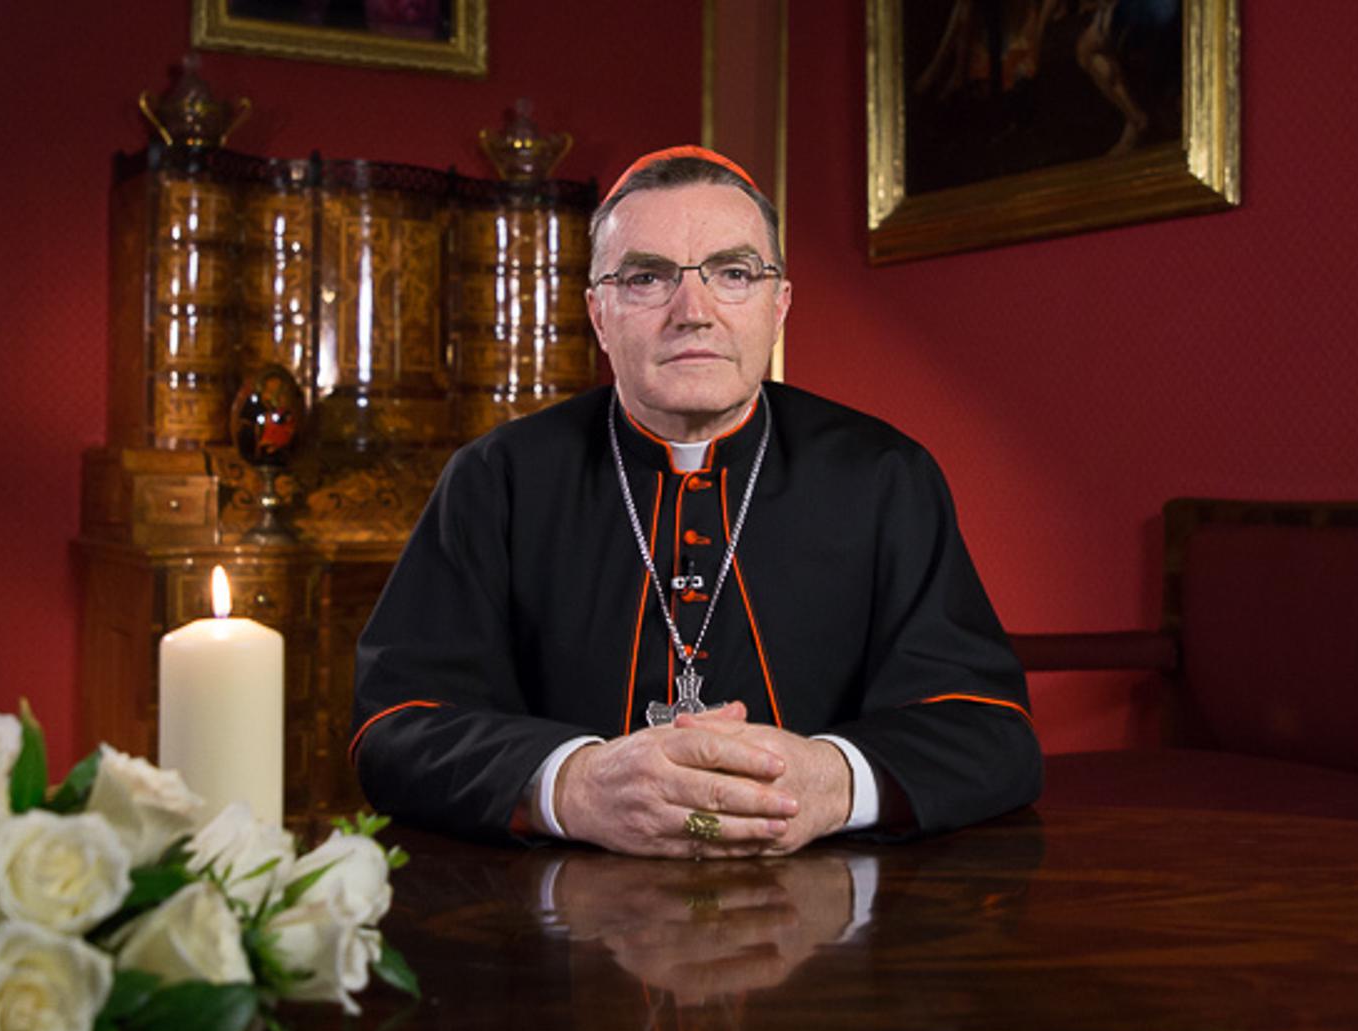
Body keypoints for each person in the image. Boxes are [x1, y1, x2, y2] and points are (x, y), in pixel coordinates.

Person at [352, 146, 1040, 858]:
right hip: (558, 910)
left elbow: (990, 730)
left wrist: (832, 782)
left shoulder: (883, 476)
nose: (693, 313)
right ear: (598, 313)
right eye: (646, 278)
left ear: (779, 306)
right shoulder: (499, 479)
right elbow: (394, 727)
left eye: (733, 274)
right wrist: (573, 785)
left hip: (830, 902)